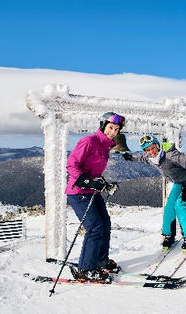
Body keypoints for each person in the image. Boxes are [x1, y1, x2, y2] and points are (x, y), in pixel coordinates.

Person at [65, 112, 125, 282]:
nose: (113, 132)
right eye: (111, 127)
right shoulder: (89, 141)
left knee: (105, 223)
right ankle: (86, 268)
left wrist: (104, 184)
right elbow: (72, 164)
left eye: (116, 129)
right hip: (78, 193)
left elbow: (95, 172)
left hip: (92, 192)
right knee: (95, 227)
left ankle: (100, 259)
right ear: (103, 125)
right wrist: (87, 182)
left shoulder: (105, 147)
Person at [123, 135, 186, 251]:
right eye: (147, 150)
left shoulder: (170, 155)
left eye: (153, 148)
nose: (151, 152)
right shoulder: (152, 159)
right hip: (178, 183)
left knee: (179, 206)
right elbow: (142, 159)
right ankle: (168, 234)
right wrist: (131, 157)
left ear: (157, 146)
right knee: (168, 207)